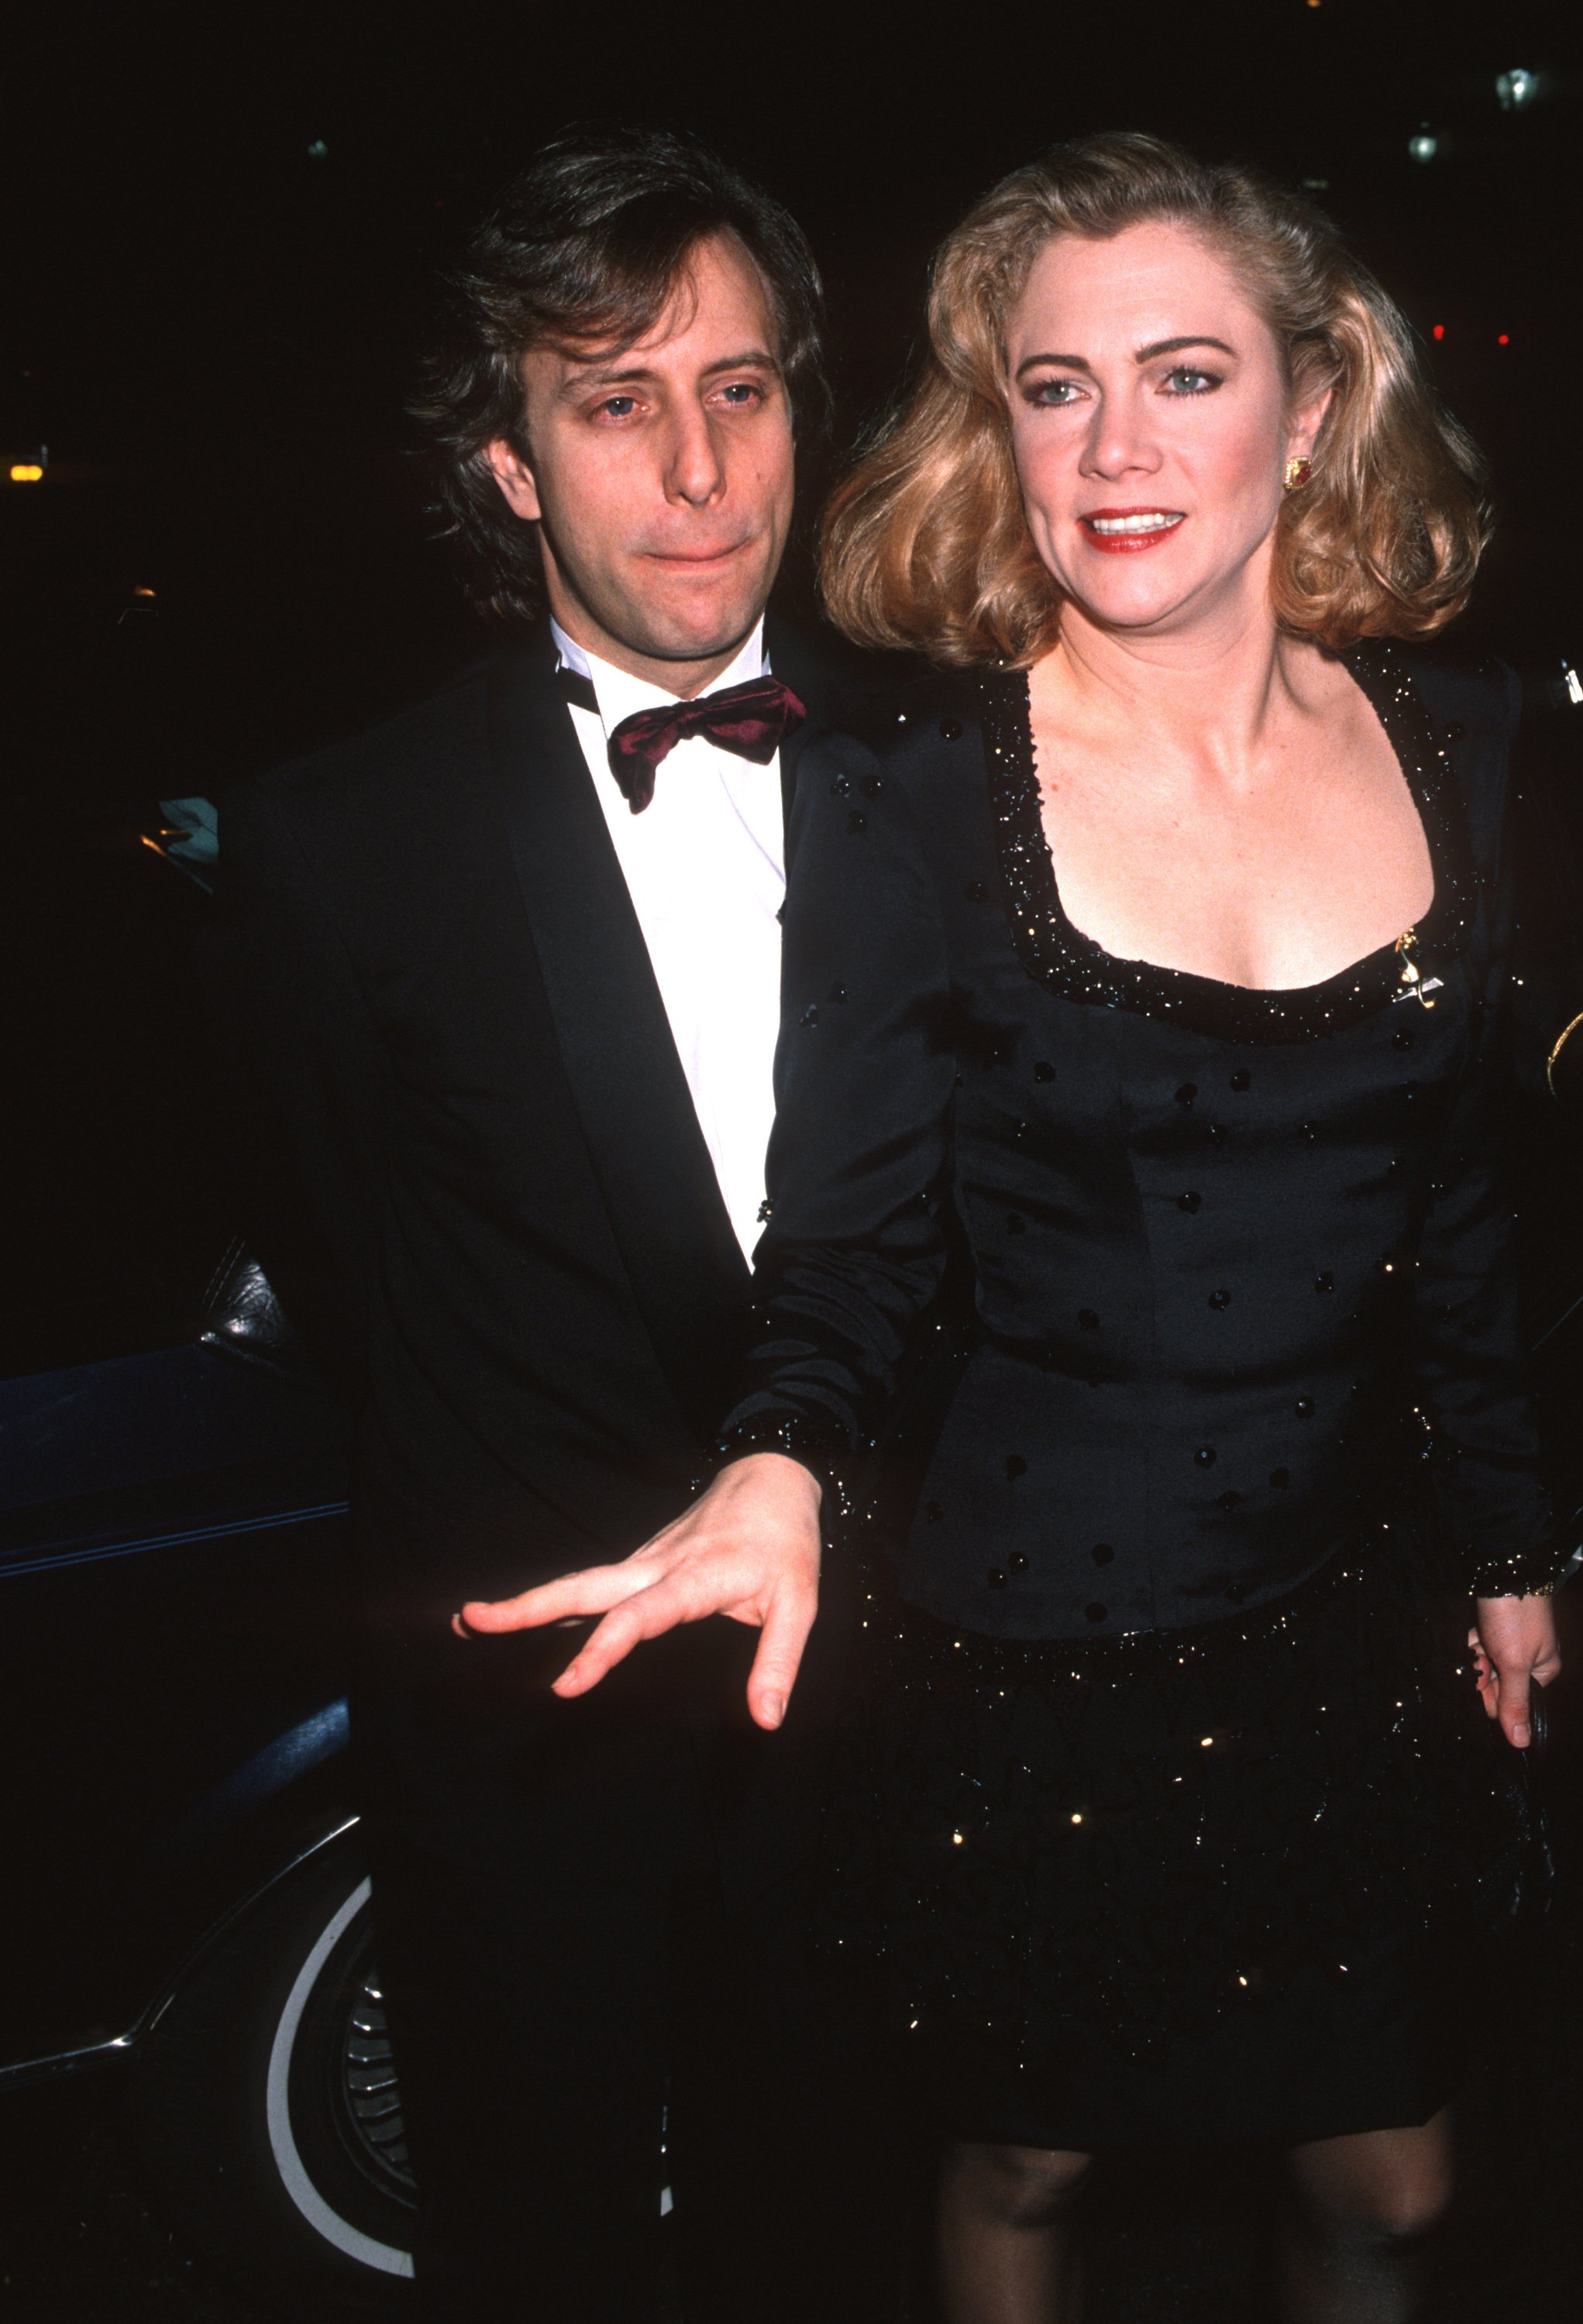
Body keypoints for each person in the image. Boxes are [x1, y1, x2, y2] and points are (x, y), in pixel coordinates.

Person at [467, 135, 1565, 2322]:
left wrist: (1512, 1541)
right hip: (1031, 1642)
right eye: (1051, 387)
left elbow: (1459, 1218)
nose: (1115, 446)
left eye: (1180, 372)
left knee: (1398, 2189)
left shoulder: (1461, 751)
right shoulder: (909, 791)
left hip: (1349, 1620)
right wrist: (778, 1459)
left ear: (1314, 402)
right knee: (1033, 2163)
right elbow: (852, 1239)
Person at [206, 125, 903, 2324]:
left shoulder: (957, 773)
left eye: (739, 387)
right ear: (508, 463)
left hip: (886, 1693)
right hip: (519, 1716)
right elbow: (348, 1267)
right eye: (613, 403)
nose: (695, 469)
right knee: (539, 2247)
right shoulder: (336, 848)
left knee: (859, 2236)